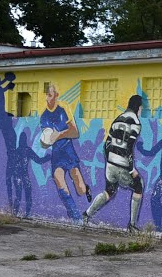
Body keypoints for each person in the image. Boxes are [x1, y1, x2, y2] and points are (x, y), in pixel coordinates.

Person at [83, 95, 144, 231]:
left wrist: (110, 161)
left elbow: (106, 145)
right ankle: (132, 225)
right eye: (141, 107)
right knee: (139, 186)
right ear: (138, 107)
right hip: (123, 165)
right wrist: (131, 170)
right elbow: (129, 147)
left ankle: (87, 215)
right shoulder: (135, 122)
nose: (141, 110)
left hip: (110, 164)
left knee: (109, 192)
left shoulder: (117, 120)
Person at [39, 84, 91, 220]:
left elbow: (75, 132)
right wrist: (45, 142)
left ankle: (86, 187)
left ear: (56, 95)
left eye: (50, 95)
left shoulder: (63, 109)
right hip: (57, 154)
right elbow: (45, 140)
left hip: (68, 150)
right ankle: (75, 217)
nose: (47, 98)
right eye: (46, 95)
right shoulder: (43, 117)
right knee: (60, 184)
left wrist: (59, 135)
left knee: (81, 190)